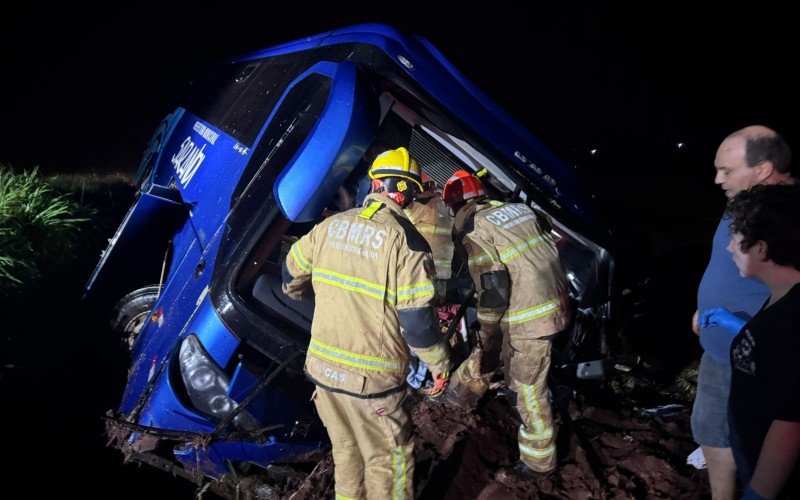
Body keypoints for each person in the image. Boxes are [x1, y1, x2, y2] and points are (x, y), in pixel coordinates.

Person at [282, 146, 455, 499]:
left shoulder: (330, 226)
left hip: (323, 374)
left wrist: (315, 295)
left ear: (374, 184)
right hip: (371, 385)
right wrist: (441, 364)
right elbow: (418, 322)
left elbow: (290, 273)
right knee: (389, 464)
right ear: (407, 192)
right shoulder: (409, 244)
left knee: (347, 455)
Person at [437, 169, 571, 476]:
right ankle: (464, 396)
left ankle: (539, 463)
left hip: (529, 318)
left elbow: (494, 290)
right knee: (516, 369)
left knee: (525, 388)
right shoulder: (522, 210)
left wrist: (486, 332)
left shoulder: (473, 229)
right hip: (556, 303)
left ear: (455, 206)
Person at [691, 125, 794, 499]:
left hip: (760, 360)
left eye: (726, 171)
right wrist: (704, 306)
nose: (717, 180)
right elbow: (724, 258)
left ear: (764, 169)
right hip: (720, 350)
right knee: (711, 429)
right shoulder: (742, 200)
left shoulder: (790, 219)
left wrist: (756, 331)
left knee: (762, 446)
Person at [403, 173, 456, 389]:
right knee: (428, 327)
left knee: (412, 330)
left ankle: (416, 378)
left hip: (418, 277)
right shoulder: (445, 207)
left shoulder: (414, 209)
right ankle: (424, 376)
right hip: (439, 279)